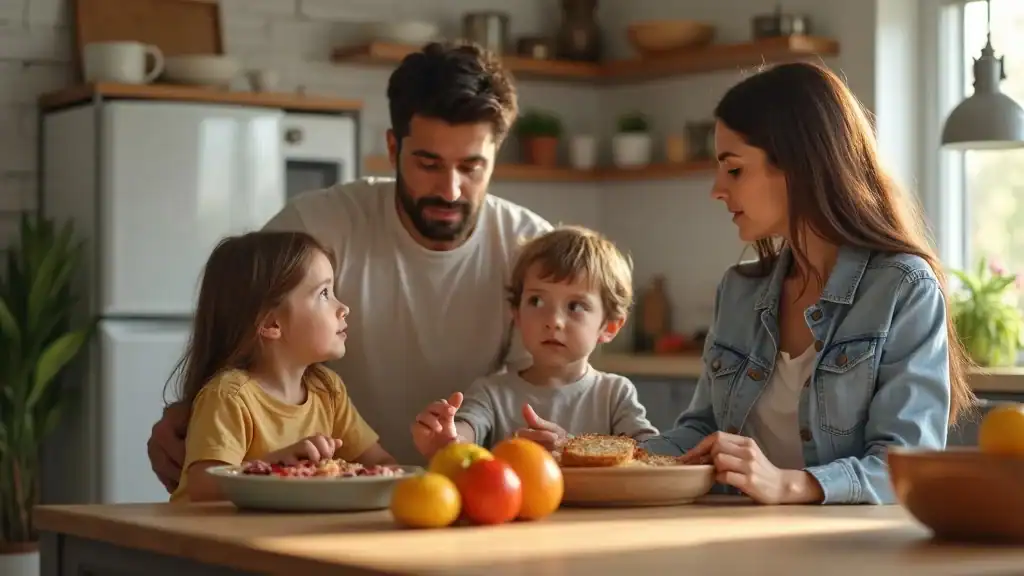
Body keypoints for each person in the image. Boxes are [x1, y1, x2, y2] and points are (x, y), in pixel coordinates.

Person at [147, 41, 553, 491]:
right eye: (428, 163)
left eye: (472, 167)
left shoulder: (531, 250)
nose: (451, 190)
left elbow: (547, 384)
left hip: (479, 493)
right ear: (393, 145)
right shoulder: (319, 224)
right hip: (328, 499)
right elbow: (240, 322)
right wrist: (188, 413)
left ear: (496, 155)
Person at [641, 61, 976, 506]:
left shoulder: (904, 288)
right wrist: (587, 457)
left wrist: (787, 484)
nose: (716, 189)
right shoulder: (738, 290)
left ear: (798, 165)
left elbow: (904, 465)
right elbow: (702, 434)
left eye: (734, 169)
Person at [168, 231, 395, 503]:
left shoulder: (327, 390)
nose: (343, 307)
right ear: (272, 324)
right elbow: (204, 486)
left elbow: (381, 463)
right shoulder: (229, 396)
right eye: (324, 293)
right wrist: (274, 467)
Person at [411, 226, 657, 458]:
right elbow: (465, 432)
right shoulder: (491, 393)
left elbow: (650, 454)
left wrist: (571, 447)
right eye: (537, 301)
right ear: (516, 313)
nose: (553, 321)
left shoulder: (614, 395)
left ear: (609, 326)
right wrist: (447, 439)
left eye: (575, 306)